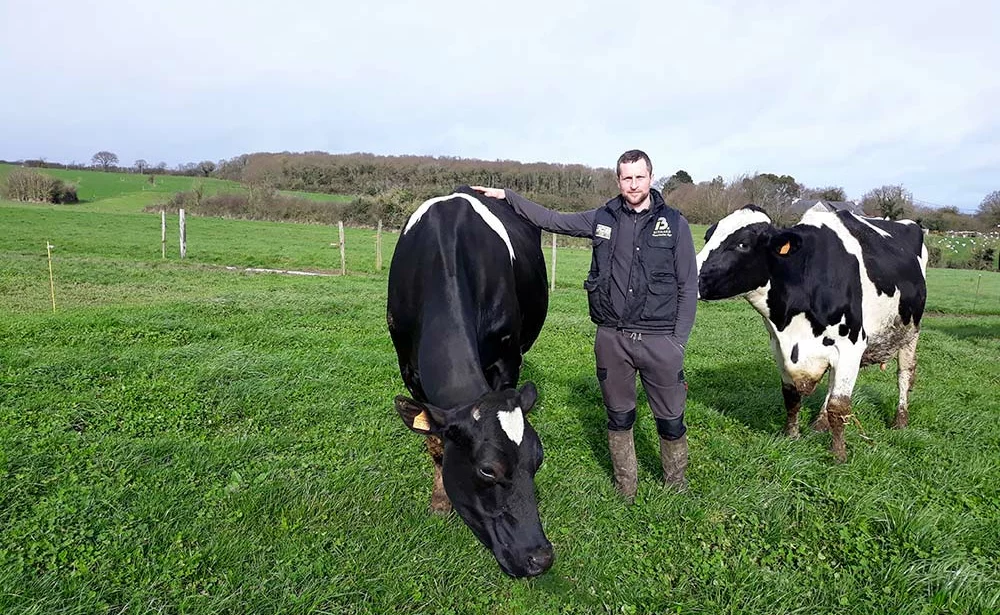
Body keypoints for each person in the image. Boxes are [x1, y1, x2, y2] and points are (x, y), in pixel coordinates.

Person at [472, 149, 698, 500]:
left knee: (670, 419)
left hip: (660, 341)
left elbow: (688, 284)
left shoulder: (675, 224)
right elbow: (552, 219)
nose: (633, 184)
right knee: (619, 418)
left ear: (651, 178)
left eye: (639, 177)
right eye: (626, 177)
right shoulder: (602, 218)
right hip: (612, 338)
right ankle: (627, 489)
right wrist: (509, 198)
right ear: (618, 180)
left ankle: (676, 485)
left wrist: (677, 342)